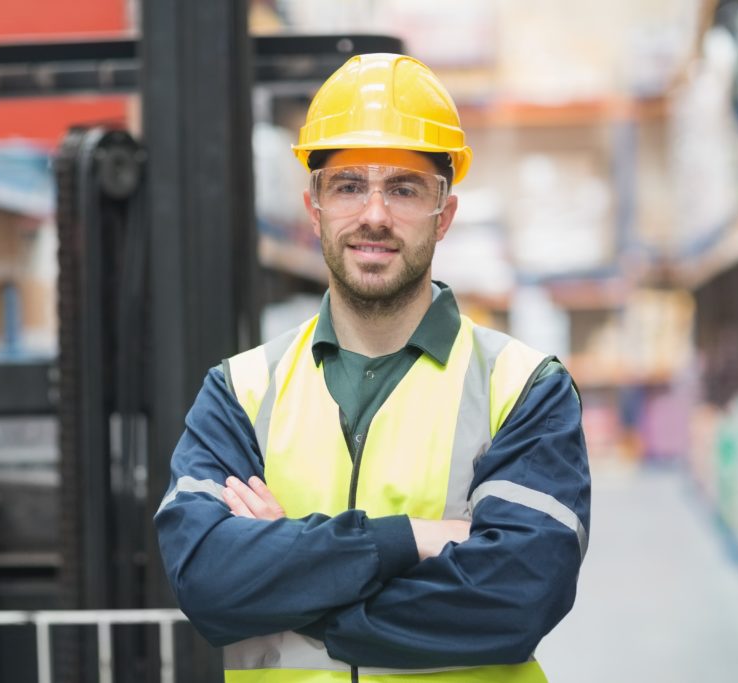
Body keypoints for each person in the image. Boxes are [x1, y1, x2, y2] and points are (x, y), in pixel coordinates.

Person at [155, 53, 590, 683]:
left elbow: (518, 596)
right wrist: (410, 539)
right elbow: (204, 578)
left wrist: (292, 588)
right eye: (349, 185)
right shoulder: (240, 391)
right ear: (315, 208)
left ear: (445, 214)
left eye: (405, 188)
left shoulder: (523, 388)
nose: (375, 215)